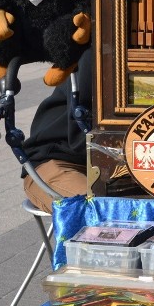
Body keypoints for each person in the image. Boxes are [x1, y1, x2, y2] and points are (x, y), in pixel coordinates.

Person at [22, 48, 92, 213]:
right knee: (104, 209)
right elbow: (81, 137)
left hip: (111, 167)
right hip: (57, 160)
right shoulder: (96, 52)